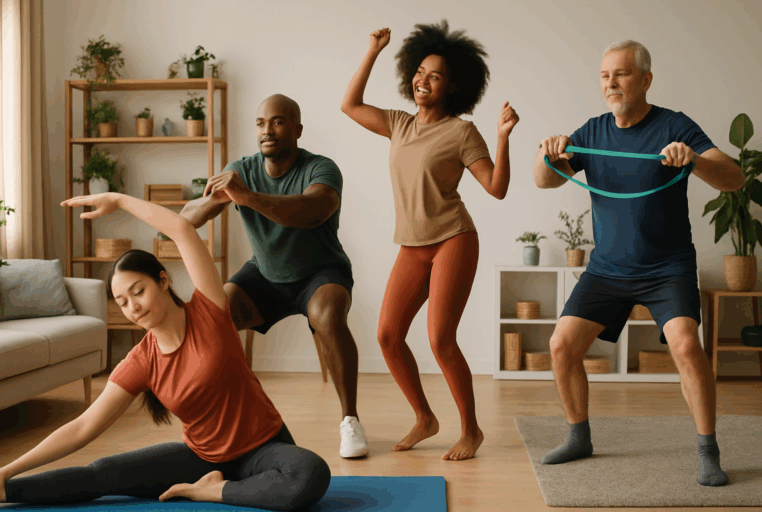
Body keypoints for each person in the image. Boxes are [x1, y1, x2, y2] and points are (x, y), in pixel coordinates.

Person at [0, 193, 331, 509]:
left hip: (265, 450)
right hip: (199, 460)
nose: (133, 307)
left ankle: (214, 492)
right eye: (122, 302)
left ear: (162, 280)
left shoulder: (209, 310)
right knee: (102, 473)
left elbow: (181, 229)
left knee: (310, 473)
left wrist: (118, 200)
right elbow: (84, 427)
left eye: (138, 291)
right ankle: (4, 491)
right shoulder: (142, 361)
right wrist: (8, 471)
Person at [534, 40, 744, 486]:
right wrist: (547, 152)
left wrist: (695, 162)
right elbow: (544, 181)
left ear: (645, 79)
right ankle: (578, 437)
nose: (611, 83)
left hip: (666, 268)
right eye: (606, 75)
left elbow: (734, 178)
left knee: (687, 346)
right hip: (606, 270)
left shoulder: (675, 126)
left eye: (622, 74)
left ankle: (708, 449)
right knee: (561, 345)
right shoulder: (591, 132)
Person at [341, 21, 519, 461]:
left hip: (454, 239)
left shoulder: (462, 133)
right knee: (387, 335)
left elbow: (496, 188)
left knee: (440, 339)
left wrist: (501, 137)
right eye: (419, 71)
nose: (424, 80)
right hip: (412, 245)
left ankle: (471, 431)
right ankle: (425, 417)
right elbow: (349, 104)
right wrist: (373, 50)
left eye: (435, 75)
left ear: (453, 85)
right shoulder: (398, 123)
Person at [180, 94, 368, 458]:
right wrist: (212, 201)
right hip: (265, 273)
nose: (268, 130)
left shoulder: (321, 169)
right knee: (212, 320)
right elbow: (188, 217)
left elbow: (312, 211)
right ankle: (222, 422)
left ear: (297, 129)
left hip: (321, 272)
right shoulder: (242, 169)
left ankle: (351, 420)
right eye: (261, 123)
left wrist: (247, 197)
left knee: (327, 316)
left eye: (278, 122)